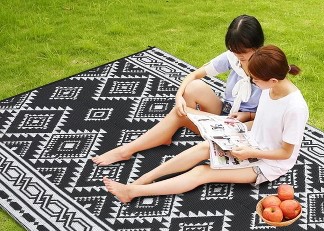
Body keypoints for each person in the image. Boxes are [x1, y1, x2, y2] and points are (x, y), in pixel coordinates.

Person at [102, 45, 309, 203]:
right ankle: (143, 179)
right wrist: (240, 122)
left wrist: (248, 153)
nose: (252, 81)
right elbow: (266, 120)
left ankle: (132, 192)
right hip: (250, 141)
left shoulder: (295, 108)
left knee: (203, 172)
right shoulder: (270, 89)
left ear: (273, 80)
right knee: (203, 147)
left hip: (268, 164)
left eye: (255, 79)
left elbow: (285, 153)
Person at [92, 15, 264, 166]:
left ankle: (127, 150)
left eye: (243, 51)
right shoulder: (232, 57)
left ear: (257, 45)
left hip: (248, 122)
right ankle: (171, 132)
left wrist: (248, 115)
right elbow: (195, 74)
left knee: (178, 114)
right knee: (192, 87)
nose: (239, 55)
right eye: (234, 50)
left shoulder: (268, 67)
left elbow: (274, 114)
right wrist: (179, 96)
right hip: (226, 111)